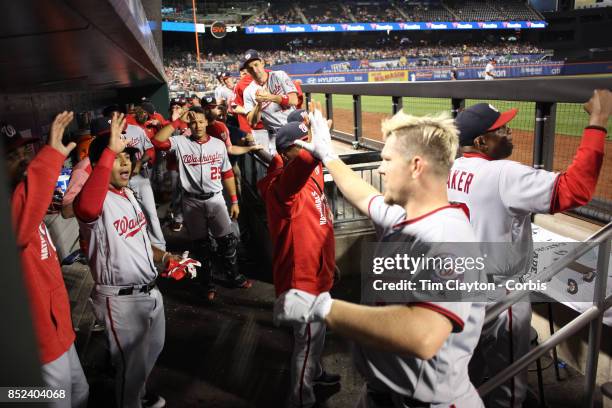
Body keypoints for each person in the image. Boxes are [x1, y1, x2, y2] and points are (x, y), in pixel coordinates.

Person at [275, 103, 486, 407]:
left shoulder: (448, 236)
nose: (380, 168)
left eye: (387, 159)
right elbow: (362, 193)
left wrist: (323, 309)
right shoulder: (404, 216)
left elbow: (424, 335)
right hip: (385, 394)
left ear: (416, 166)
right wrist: (327, 154)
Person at [447, 90, 611, 408]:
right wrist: (597, 121)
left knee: (465, 376)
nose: (510, 133)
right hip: (498, 296)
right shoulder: (504, 174)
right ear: (481, 142)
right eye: (502, 130)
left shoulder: (452, 169)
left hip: (458, 287)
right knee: (508, 385)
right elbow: (575, 190)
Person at [74, 112, 195, 408]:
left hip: (149, 291)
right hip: (121, 301)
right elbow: (87, 209)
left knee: (150, 354)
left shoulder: (127, 194)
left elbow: (142, 242)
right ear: (101, 164)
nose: (126, 162)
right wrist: (107, 155)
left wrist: (167, 258)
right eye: (118, 157)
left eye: (128, 156)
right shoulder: (93, 199)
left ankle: (138, 396)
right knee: (131, 368)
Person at [6, 114, 89, 407]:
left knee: (79, 394)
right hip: (36, 340)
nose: (23, 159)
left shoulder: (20, 198)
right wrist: (50, 157)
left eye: (23, 151)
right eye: (11, 155)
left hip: (56, 328)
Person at [257, 120, 339, 408]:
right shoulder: (282, 186)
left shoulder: (307, 170)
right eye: (301, 143)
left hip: (319, 270)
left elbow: (319, 223)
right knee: (306, 342)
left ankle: (314, 374)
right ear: (286, 153)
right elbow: (304, 163)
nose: (309, 146)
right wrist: (312, 150)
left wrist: (329, 264)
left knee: (318, 334)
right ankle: (300, 398)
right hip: (301, 280)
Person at [152, 106, 252, 301]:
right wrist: (177, 120)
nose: (197, 125)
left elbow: (228, 173)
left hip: (215, 198)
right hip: (191, 201)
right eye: (193, 122)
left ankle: (234, 277)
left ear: (207, 122)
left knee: (227, 241)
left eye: (200, 121)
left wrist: (234, 201)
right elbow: (157, 141)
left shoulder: (218, 144)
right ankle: (207, 283)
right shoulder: (180, 142)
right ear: (188, 124)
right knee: (201, 245)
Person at [242, 49, 299, 154]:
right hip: (275, 135)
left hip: (294, 128)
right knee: (280, 168)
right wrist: (258, 104)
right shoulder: (248, 91)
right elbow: (252, 122)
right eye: (250, 68)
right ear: (247, 71)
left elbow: (294, 100)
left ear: (262, 63)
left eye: (256, 65)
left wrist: (270, 97)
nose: (254, 70)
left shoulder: (279, 75)